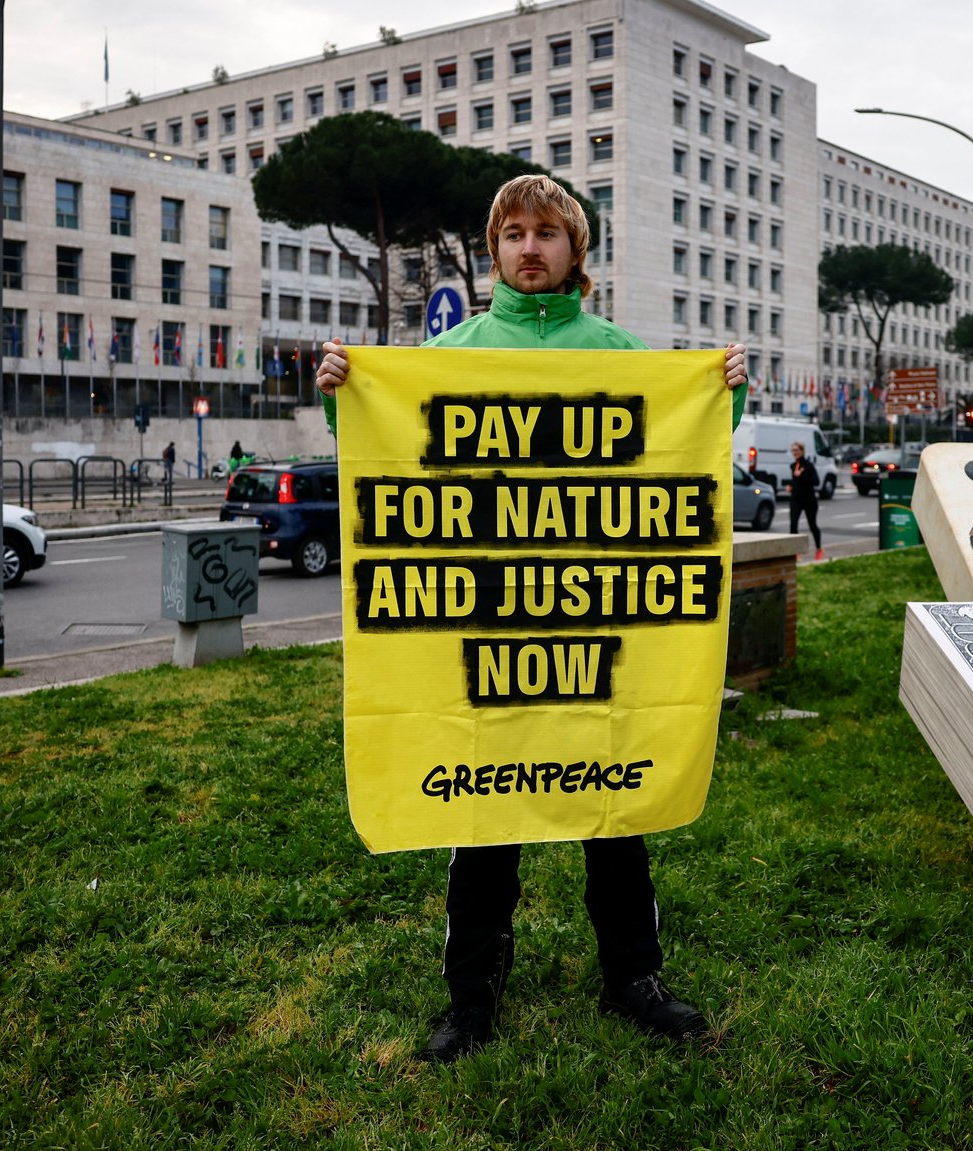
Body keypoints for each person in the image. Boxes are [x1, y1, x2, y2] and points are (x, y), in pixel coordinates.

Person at [314, 174, 748, 1064]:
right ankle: (470, 999)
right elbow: (396, 454)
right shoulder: (455, 354)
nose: (529, 248)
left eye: (546, 232)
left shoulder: (625, 356)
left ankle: (635, 979)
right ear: (494, 249)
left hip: (596, 644)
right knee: (484, 836)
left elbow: (679, 456)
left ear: (574, 250)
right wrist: (343, 393)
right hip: (488, 644)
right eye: (512, 233)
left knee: (616, 822)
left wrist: (722, 393)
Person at [787, 441, 823, 561]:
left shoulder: (808, 465)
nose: (795, 452)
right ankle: (795, 552)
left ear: (802, 451)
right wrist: (790, 486)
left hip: (809, 500)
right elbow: (796, 481)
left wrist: (802, 475)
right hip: (796, 499)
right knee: (793, 525)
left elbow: (816, 481)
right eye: (793, 450)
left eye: (797, 450)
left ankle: (819, 549)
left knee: (812, 525)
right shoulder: (793, 466)